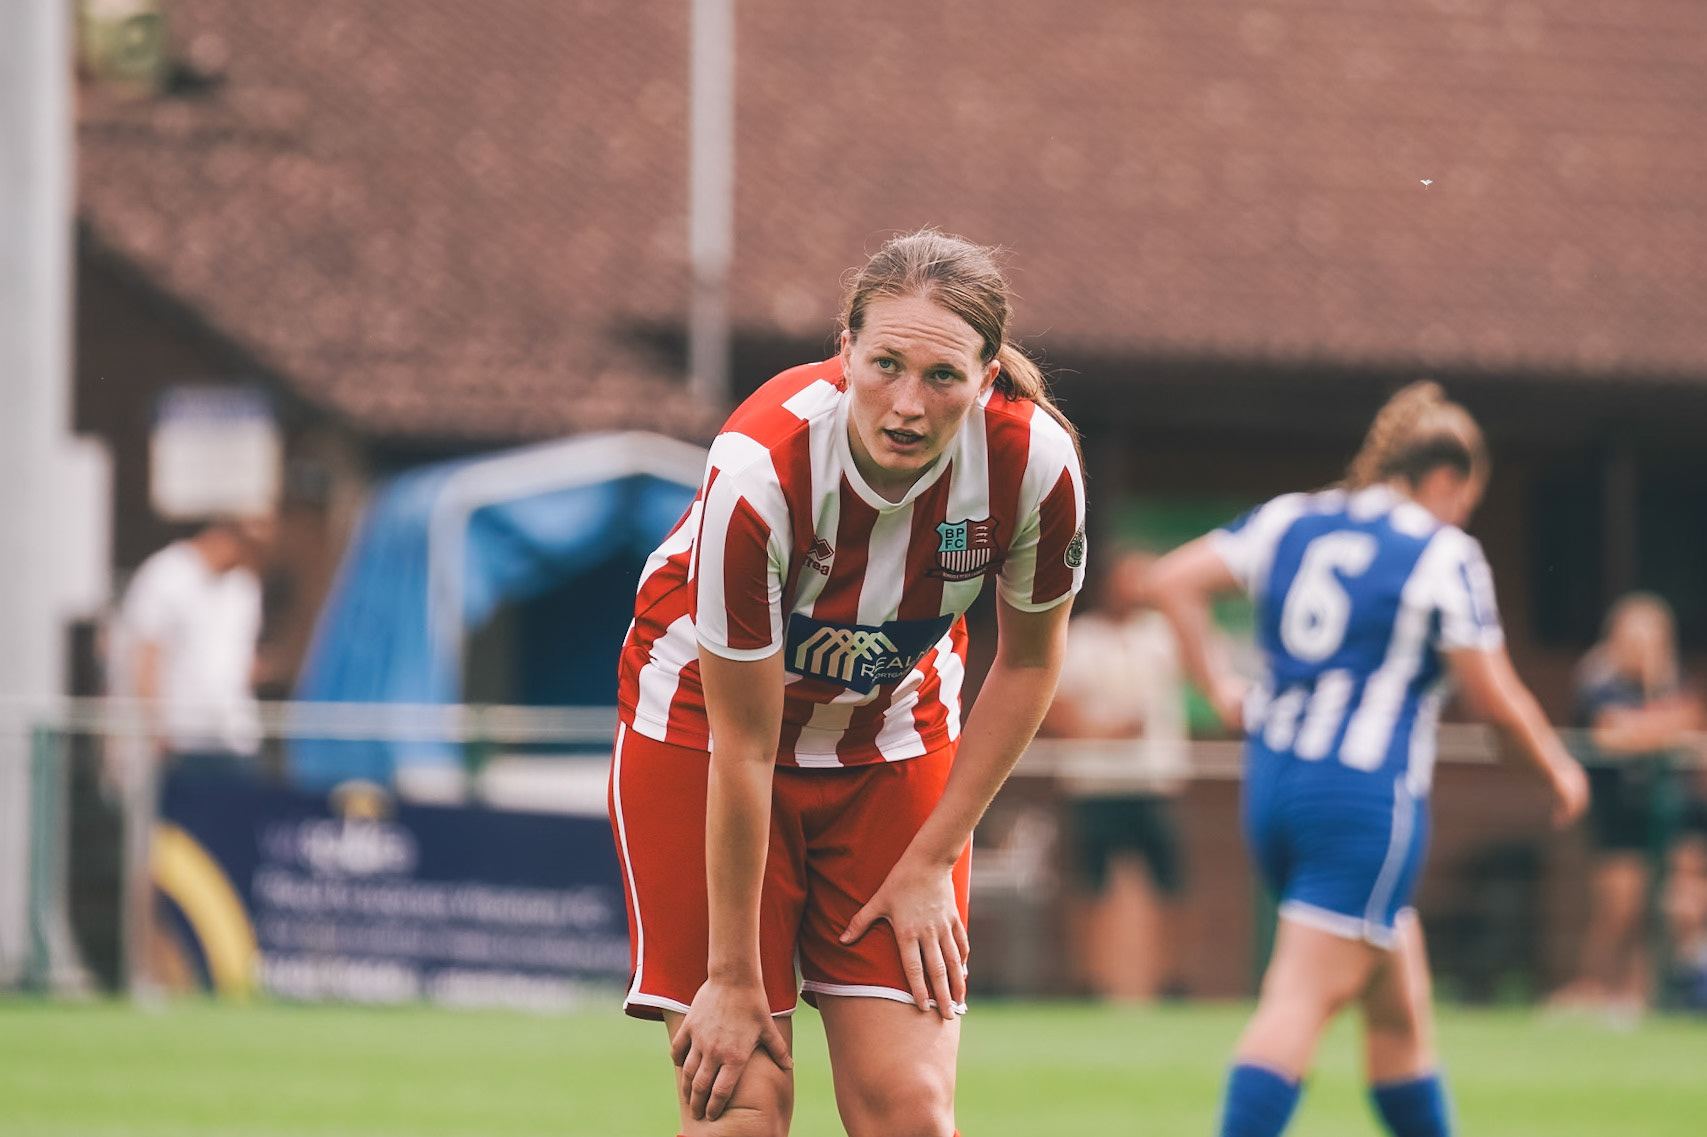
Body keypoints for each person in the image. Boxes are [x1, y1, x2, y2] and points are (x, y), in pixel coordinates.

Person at [609, 229, 1086, 1137]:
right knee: (744, 1108)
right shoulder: (760, 469)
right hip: (705, 736)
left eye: (942, 377)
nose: (907, 404)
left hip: (891, 738)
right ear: (846, 351)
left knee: (910, 1112)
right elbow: (745, 743)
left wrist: (931, 860)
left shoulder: (1033, 463)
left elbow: (1029, 661)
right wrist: (732, 976)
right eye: (885, 365)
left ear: (986, 378)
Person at [1148, 381, 1588, 1137]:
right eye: (1465, 500)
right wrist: (1558, 769)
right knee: (1299, 998)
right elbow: (1492, 698)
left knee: (1397, 1011)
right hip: (1361, 802)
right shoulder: (1440, 552)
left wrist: (1220, 688)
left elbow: (1171, 581)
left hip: (1273, 787)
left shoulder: (1291, 517)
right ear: (1444, 478)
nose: (1461, 516)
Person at [106, 513, 275, 993]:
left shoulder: (245, 586)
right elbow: (145, 654)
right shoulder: (167, 575)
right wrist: (154, 728)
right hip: (176, 745)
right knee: (156, 858)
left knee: (232, 854)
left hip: (232, 741)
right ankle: (148, 969)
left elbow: (233, 664)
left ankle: (226, 971)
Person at [1040, 547, 1192, 1001]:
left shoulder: (1164, 635)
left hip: (1153, 781)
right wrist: (1104, 733)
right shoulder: (1080, 637)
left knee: (1172, 885)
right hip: (1095, 783)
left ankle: (1174, 981)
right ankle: (1089, 982)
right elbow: (1054, 706)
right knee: (1090, 887)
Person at [1553, 593, 1707, 1019]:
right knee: (1619, 910)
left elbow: (1691, 718)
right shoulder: (1598, 677)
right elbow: (1611, 733)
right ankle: (1592, 990)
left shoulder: (1670, 678)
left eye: (1653, 638)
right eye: (1635, 637)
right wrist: (1664, 727)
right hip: (1618, 814)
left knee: (1673, 906)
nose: (1644, 647)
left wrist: (1654, 722)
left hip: (1667, 813)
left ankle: (1637, 997)